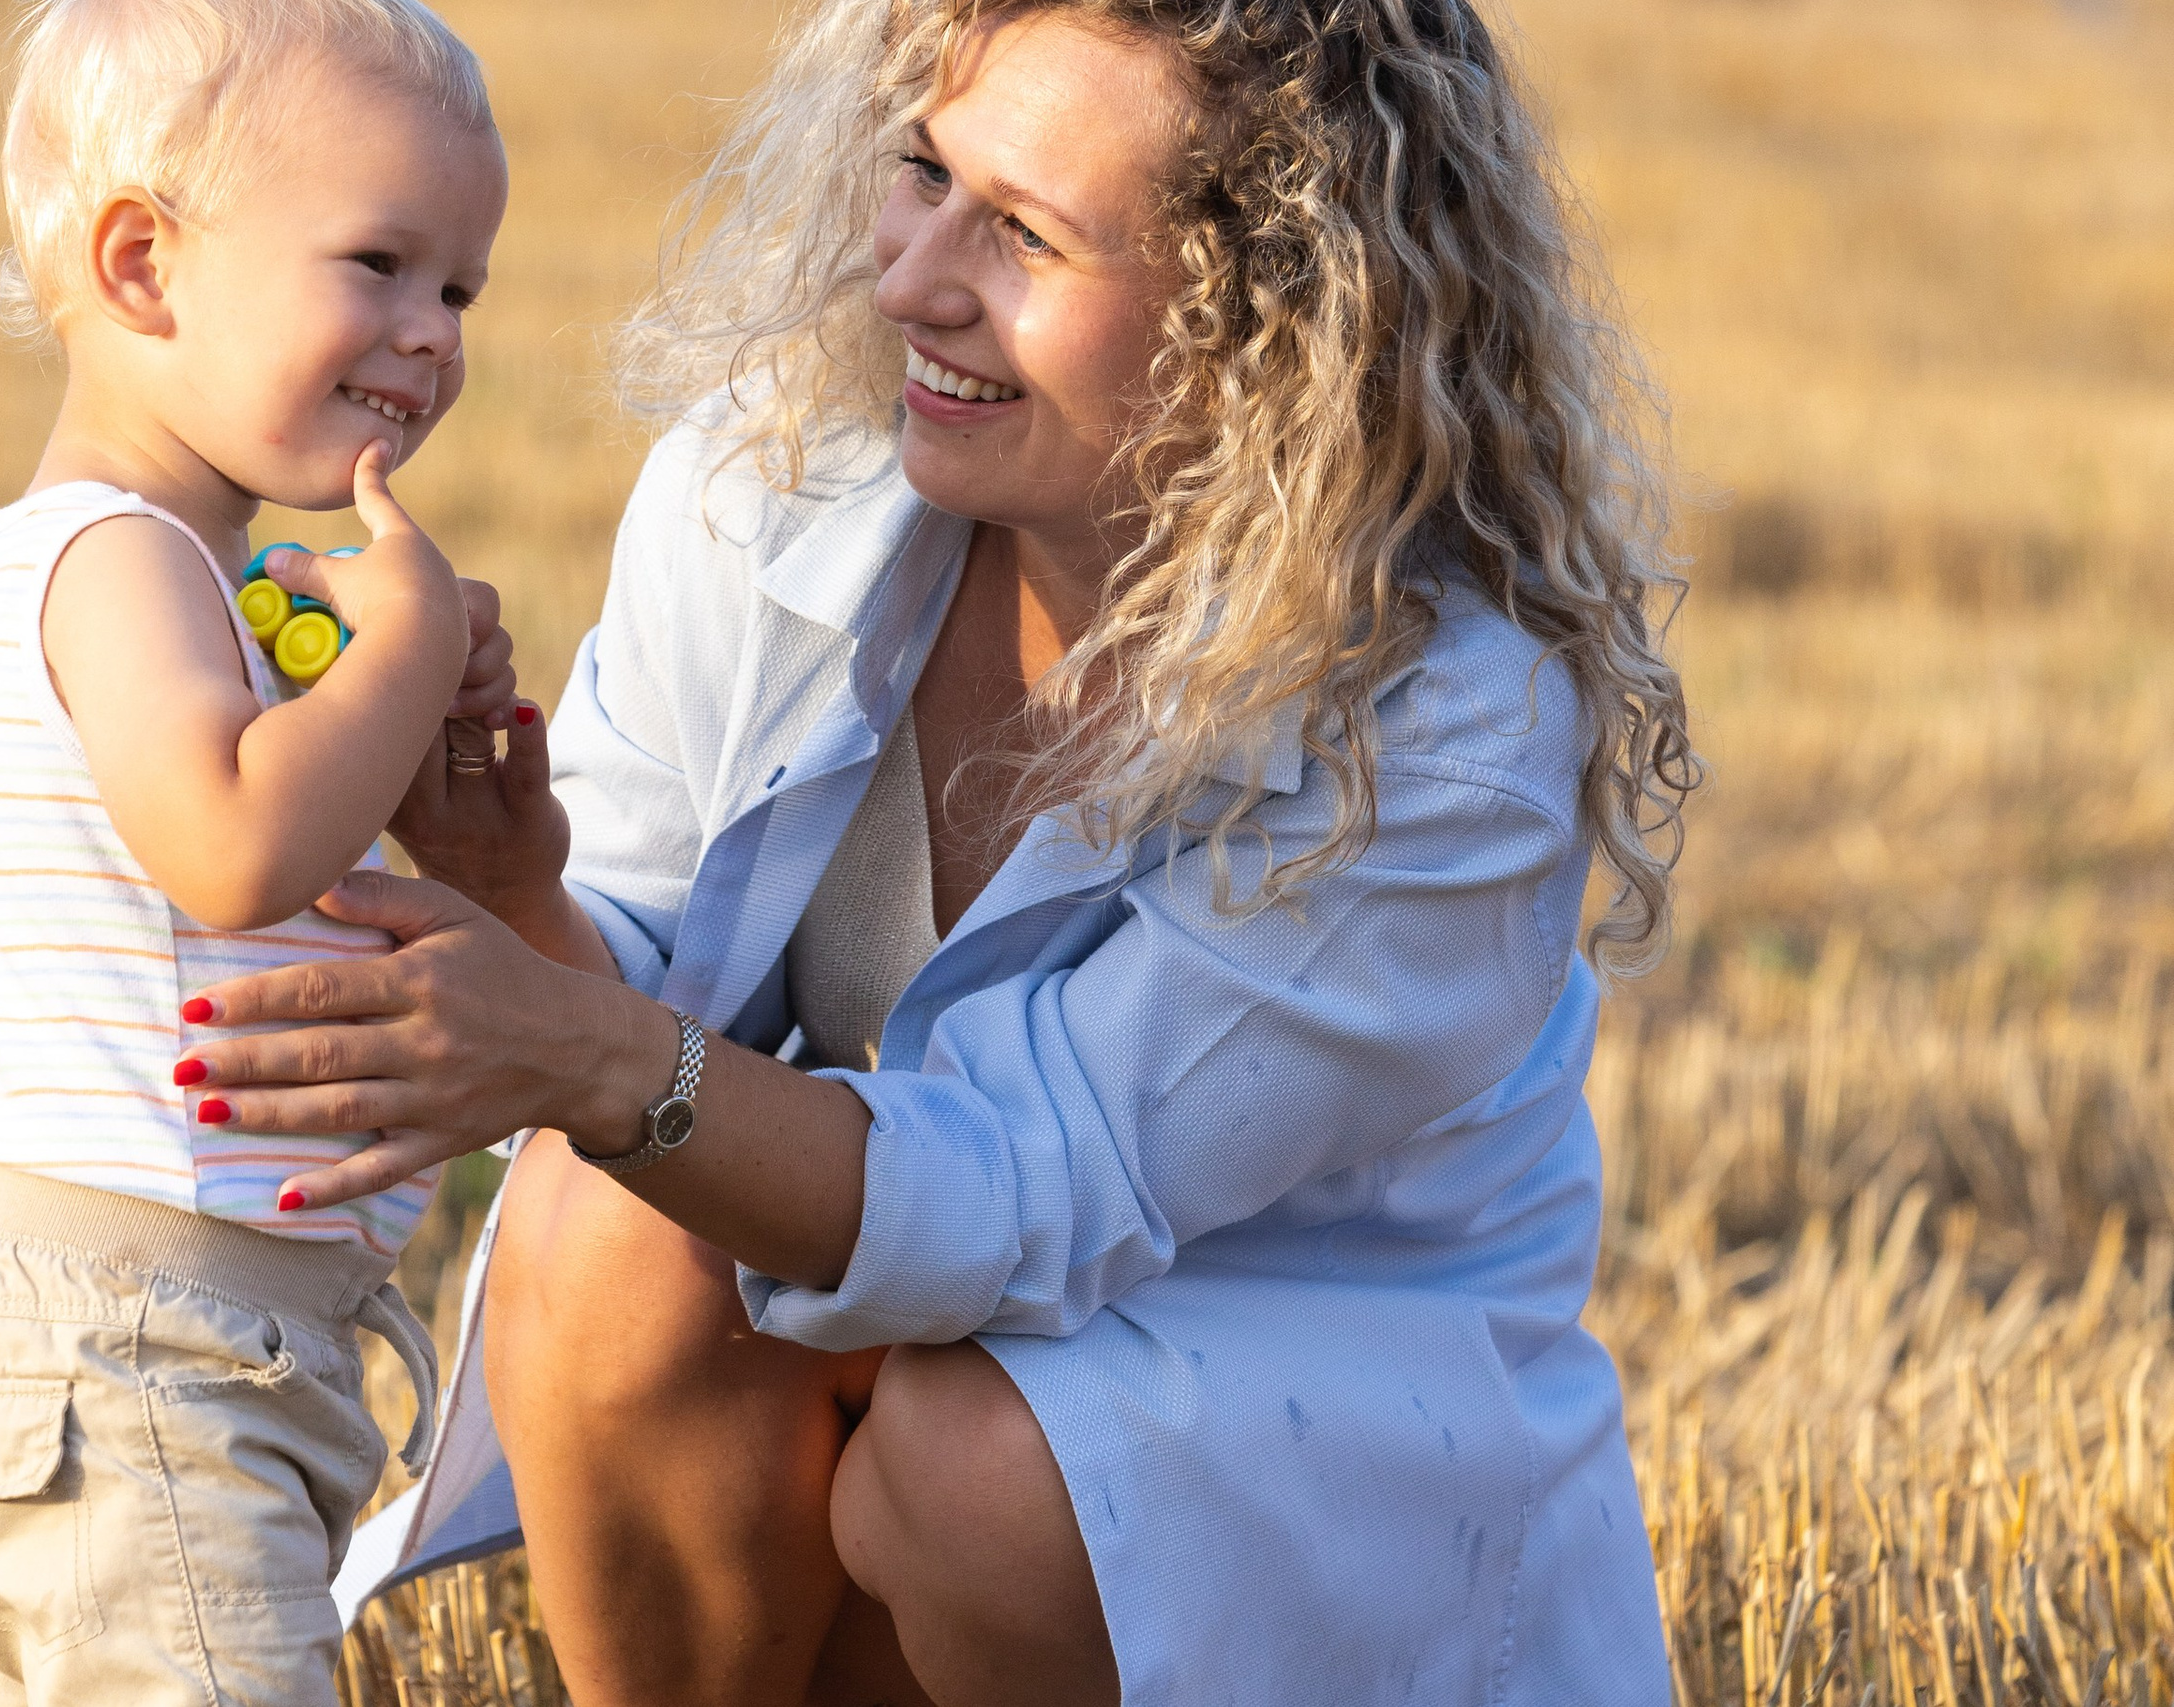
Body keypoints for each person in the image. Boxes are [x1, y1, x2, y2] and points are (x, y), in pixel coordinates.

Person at [182, 0, 1699, 1701]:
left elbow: (1027, 1188)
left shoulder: (1447, 736)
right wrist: (519, 892)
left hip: (1294, 1435)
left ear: (1277, 316)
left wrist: (597, 1057)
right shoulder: (764, 482)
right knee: (608, 1244)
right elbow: (637, 1017)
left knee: (981, 1462)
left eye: (1026, 234)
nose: (909, 280)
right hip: (906, 1363)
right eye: (923, 174)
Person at [0, 2, 526, 1700]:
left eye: (458, 287)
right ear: (146, 268)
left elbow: (303, 861)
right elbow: (232, 848)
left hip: (190, 1342)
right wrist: (388, 656)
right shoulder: (116, 559)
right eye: (379, 262)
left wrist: (424, 738)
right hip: (139, 1342)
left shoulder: (206, 581)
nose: (431, 333)